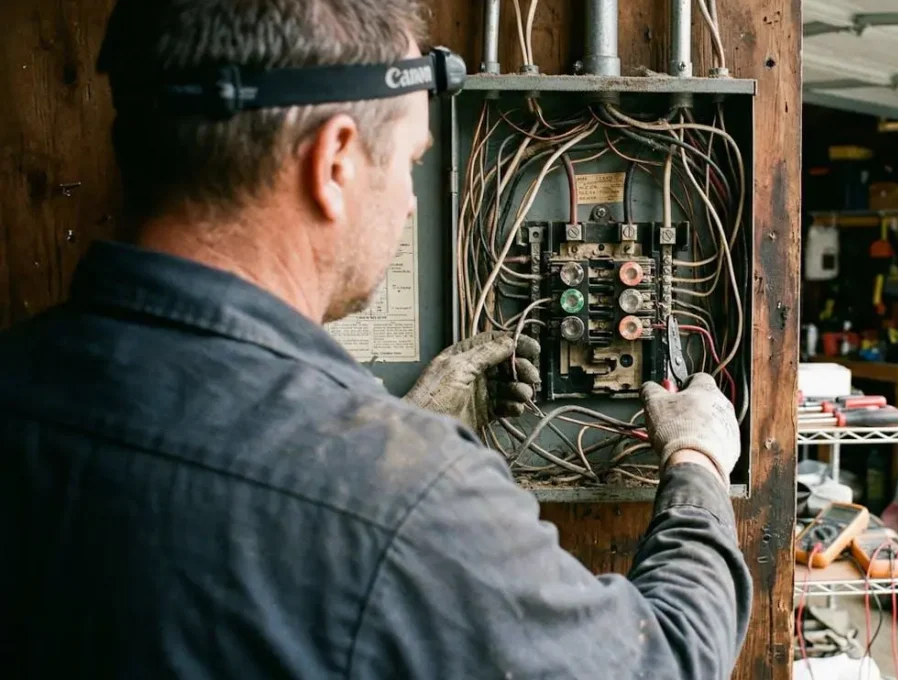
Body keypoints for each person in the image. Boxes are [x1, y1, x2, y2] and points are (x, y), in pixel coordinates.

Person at [0, 1, 751, 678]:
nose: (409, 204)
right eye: (412, 164)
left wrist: (417, 427)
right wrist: (697, 461)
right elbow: (668, 663)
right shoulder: (407, 495)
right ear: (332, 165)